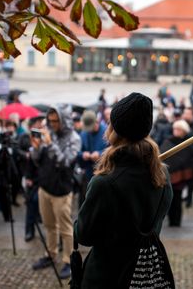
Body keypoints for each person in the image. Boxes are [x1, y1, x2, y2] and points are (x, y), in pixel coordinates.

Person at [75, 92, 173, 288]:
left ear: (115, 129)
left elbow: (84, 235)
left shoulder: (104, 183)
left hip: (107, 277)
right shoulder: (161, 174)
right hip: (143, 275)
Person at [31, 107, 81, 280]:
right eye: (50, 120)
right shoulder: (48, 133)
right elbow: (37, 161)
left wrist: (50, 144)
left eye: (55, 121)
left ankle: (69, 260)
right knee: (49, 225)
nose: (52, 124)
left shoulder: (74, 138)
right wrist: (36, 148)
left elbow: (65, 162)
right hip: (45, 187)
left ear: (64, 120)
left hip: (62, 191)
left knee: (66, 228)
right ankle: (50, 254)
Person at [160, 119, 193, 227]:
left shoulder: (187, 142)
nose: (176, 131)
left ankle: (177, 221)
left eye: (178, 129)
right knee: (169, 199)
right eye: (175, 128)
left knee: (178, 199)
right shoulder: (167, 141)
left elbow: (186, 157)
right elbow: (163, 155)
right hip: (169, 174)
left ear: (184, 131)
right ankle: (171, 220)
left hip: (181, 175)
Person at [77, 110, 108, 206]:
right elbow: (77, 152)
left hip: (104, 173)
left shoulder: (106, 132)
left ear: (96, 122)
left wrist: (99, 154)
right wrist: (83, 155)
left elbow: (114, 149)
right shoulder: (83, 133)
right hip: (88, 173)